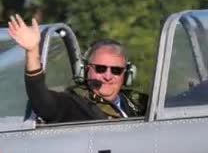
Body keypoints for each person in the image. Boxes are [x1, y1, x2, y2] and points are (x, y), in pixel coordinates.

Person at [7, 14, 148, 123]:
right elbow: (41, 101)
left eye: (116, 70)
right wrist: (32, 52)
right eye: (100, 69)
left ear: (127, 75)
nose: (108, 76)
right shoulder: (74, 103)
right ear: (85, 70)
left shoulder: (135, 102)